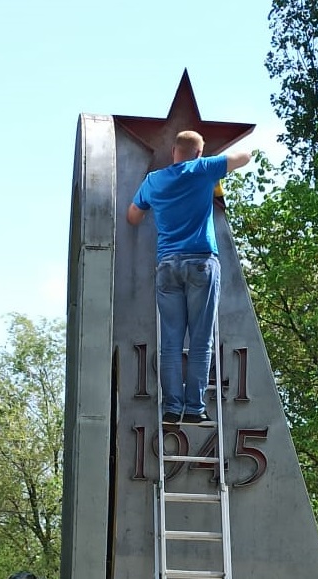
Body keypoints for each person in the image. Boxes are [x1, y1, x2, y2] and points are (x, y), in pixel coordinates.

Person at [127, 130, 250, 426]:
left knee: (170, 342)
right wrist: (209, 164)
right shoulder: (204, 169)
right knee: (200, 341)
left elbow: (133, 216)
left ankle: (172, 407)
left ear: (173, 152)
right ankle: (194, 408)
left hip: (167, 265)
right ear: (199, 151)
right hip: (201, 263)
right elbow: (244, 157)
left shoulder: (154, 181)